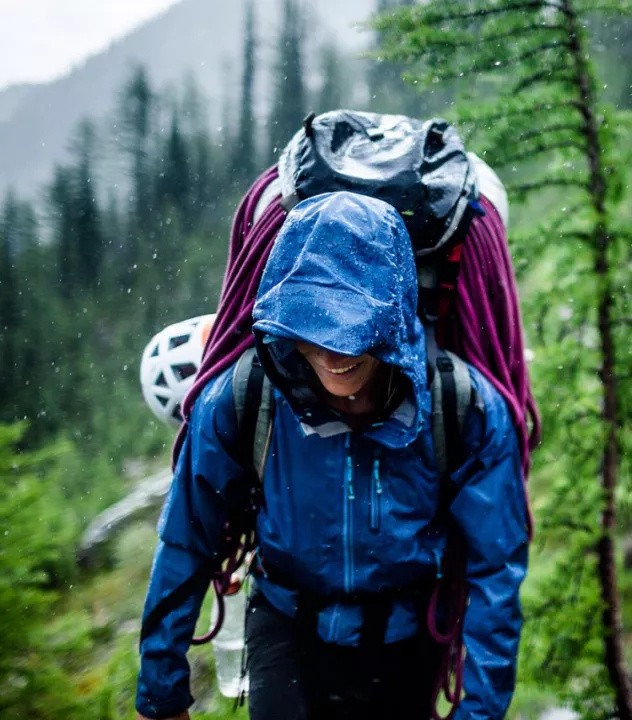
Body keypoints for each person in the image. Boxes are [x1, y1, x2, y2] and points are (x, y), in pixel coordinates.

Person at [135, 192, 530, 720]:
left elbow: (495, 571)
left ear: (392, 315)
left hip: (407, 642)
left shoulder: (463, 408)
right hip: (285, 631)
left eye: (352, 327)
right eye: (311, 326)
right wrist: (161, 692)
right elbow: (186, 539)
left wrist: (479, 713)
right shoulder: (243, 398)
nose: (330, 351)